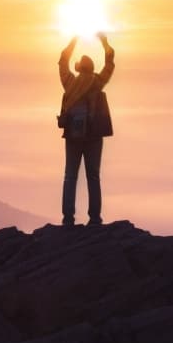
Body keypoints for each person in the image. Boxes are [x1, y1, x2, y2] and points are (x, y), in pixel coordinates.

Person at [57, 31, 115, 226]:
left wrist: (72, 41)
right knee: (93, 176)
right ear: (91, 69)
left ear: (79, 68)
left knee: (70, 176)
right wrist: (105, 43)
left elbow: (62, 62)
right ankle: (95, 218)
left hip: (73, 136)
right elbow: (110, 64)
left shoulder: (70, 84)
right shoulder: (97, 83)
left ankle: (68, 218)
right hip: (93, 137)